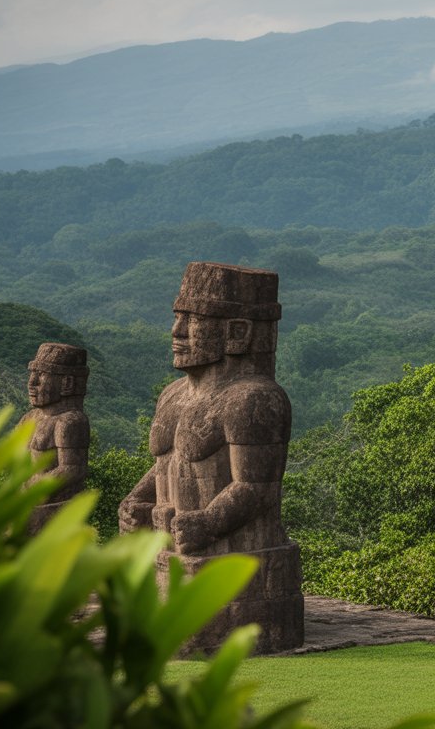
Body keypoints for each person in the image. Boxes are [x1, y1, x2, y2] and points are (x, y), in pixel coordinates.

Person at [118, 261, 301, 652]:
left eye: (192, 320)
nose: (176, 332)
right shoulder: (172, 395)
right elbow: (165, 463)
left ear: (237, 332)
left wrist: (208, 523)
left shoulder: (253, 399)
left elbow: (256, 487)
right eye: (177, 317)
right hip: (170, 546)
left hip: (225, 554)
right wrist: (139, 497)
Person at [19, 342, 90, 532]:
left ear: (66, 383)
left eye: (41, 375)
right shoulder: (30, 418)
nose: (32, 383)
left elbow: (73, 469)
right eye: (32, 374)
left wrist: (38, 487)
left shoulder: (70, 421)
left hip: (53, 508)